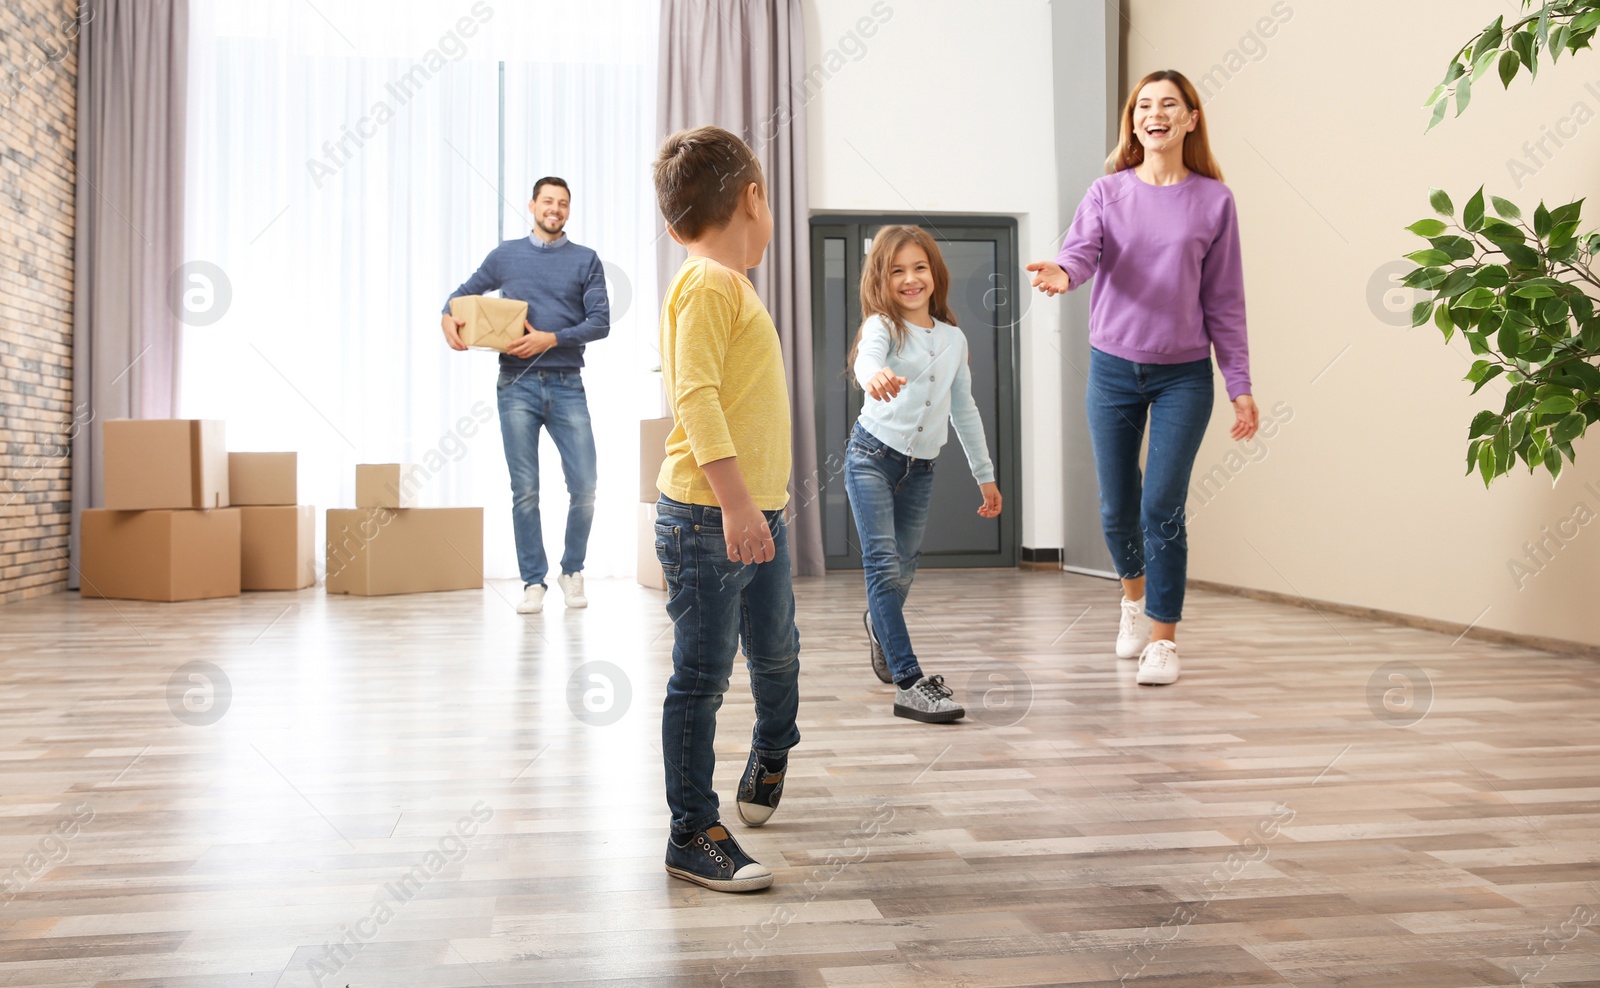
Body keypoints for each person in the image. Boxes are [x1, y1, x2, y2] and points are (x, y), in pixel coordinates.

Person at [1026, 69, 1259, 686]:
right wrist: (1064, 273)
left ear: (1189, 120)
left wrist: (1239, 382)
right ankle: (1132, 600)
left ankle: (1163, 637)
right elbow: (1082, 252)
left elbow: (1225, 300)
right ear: (1133, 123)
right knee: (1116, 506)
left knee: (1163, 504)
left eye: (1170, 105)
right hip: (1113, 369)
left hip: (1183, 374)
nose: (1156, 114)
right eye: (1144, 106)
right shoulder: (1108, 193)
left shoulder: (1215, 201)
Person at [651, 126, 801, 893]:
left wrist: (757, 509)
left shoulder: (724, 285)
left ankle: (774, 745)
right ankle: (691, 832)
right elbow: (696, 398)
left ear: (675, 224)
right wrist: (738, 506)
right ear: (754, 198)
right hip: (712, 522)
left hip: (754, 515)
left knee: (777, 652)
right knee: (702, 677)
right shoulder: (708, 282)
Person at [846, 225, 1002, 723]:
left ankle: (879, 622)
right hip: (870, 455)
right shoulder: (882, 327)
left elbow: (965, 409)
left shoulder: (954, 340)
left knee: (905, 567)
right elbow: (867, 362)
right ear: (882, 279)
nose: (911, 279)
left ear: (935, 274)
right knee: (883, 565)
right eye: (897, 271)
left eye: (920, 268)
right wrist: (873, 376)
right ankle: (911, 682)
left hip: (920, 470)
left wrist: (986, 475)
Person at [441, 177, 610, 615]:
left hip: (567, 383)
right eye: (548, 201)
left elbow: (600, 322)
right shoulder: (506, 255)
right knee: (526, 490)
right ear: (532, 205)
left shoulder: (585, 260)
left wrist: (550, 338)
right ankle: (533, 582)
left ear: (569, 211)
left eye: (563, 203)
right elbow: (460, 296)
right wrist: (448, 320)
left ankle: (572, 570)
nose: (555, 209)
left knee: (586, 487)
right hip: (516, 385)